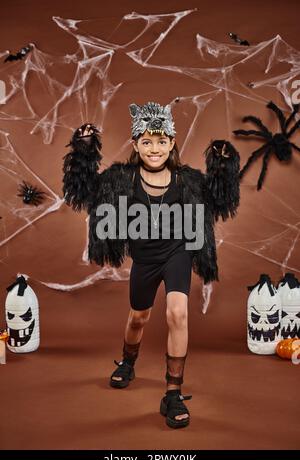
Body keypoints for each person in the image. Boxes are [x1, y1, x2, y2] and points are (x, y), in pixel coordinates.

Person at [63, 101, 240, 428]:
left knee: (177, 312)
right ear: (136, 144)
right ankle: (128, 363)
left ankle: (172, 393)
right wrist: (84, 150)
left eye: (161, 141)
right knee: (138, 318)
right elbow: (84, 191)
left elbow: (221, 199)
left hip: (178, 252)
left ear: (172, 143)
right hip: (144, 257)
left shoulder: (187, 180)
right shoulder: (121, 179)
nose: (154, 148)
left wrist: (222, 164)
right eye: (147, 141)